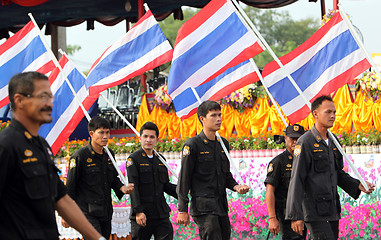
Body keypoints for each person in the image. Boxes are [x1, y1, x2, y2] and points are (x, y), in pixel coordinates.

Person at [0, 71, 105, 240]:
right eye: (42, 97)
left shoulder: (41, 146)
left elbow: (61, 199)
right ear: (19, 100)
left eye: (50, 97)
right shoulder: (6, 146)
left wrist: (97, 238)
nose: (50, 103)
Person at [285, 95, 375, 239]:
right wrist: (295, 216)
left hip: (332, 210)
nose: (332, 116)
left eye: (334, 112)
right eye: (328, 112)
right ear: (315, 114)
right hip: (314, 212)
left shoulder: (333, 141)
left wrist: (358, 185)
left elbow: (337, 173)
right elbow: (297, 179)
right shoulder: (306, 142)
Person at [176, 100, 250, 240]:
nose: (218, 119)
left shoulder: (223, 143)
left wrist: (236, 186)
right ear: (202, 119)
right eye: (213, 115)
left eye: (219, 115)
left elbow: (225, 175)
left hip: (221, 205)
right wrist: (182, 209)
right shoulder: (193, 145)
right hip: (203, 207)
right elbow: (184, 179)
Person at [64, 116, 134, 239]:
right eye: (101, 132)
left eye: (107, 132)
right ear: (91, 133)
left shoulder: (109, 154)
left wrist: (122, 188)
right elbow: (70, 186)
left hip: (106, 211)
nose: (105, 136)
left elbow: (112, 178)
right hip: (87, 212)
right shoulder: (80, 156)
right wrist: (65, 214)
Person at [127, 121, 177, 240]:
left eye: (152, 137)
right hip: (143, 214)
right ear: (140, 138)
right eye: (145, 136)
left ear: (157, 140)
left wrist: (182, 190)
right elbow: (133, 187)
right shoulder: (134, 159)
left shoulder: (160, 159)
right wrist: (138, 211)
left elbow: (165, 185)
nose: (148, 140)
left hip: (160, 213)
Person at [265, 124, 307, 239]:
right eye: (292, 138)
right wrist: (272, 218)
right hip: (287, 216)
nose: (295, 141)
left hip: (308, 213)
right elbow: (270, 191)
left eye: (298, 138)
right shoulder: (278, 162)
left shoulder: (308, 159)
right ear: (285, 138)